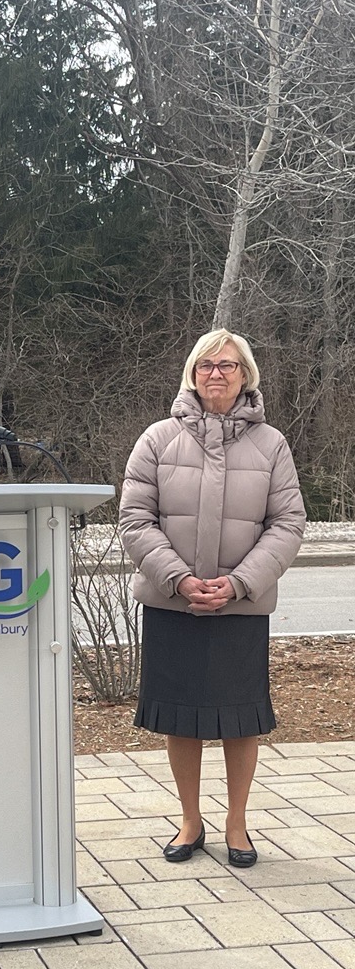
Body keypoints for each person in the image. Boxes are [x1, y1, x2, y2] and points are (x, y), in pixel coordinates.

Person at [119, 329, 305, 868]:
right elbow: (135, 520)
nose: (216, 374)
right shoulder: (156, 439)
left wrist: (240, 583)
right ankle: (190, 820)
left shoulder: (271, 444)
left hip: (240, 608)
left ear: (246, 375)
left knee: (240, 719)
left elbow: (288, 523)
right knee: (182, 718)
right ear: (191, 374)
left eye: (227, 365)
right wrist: (178, 579)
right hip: (172, 603)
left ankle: (237, 825)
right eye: (206, 365)